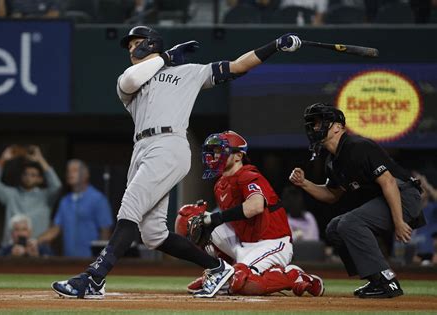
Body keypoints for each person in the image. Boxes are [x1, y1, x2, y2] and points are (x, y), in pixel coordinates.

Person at [51, 25, 302, 299]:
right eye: (130, 45)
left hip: (169, 144)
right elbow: (131, 82)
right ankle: (217, 268)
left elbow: (238, 66)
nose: (132, 49)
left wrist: (274, 45)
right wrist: (167, 57)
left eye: (137, 43)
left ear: (152, 44)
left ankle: (93, 278)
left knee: (129, 209)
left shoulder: (189, 72)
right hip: (142, 147)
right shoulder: (129, 78)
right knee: (153, 234)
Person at [289, 103, 424, 298]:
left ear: (337, 127)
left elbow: (388, 182)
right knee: (335, 228)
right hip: (386, 199)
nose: (314, 128)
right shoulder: (333, 162)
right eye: (313, 124)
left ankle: (388, 281)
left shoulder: (358, 147)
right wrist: (304, 183)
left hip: (404, 195)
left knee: (350, 222)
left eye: (319, 123)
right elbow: (331, 195)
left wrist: (399, 221)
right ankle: (375, 279)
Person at [176, 131, 324, 297]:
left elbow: (255, 206)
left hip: (272, 242)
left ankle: (294, 276)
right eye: (213, 151)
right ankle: (219, 271)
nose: (215, 155)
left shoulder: (248, 175)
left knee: (244, 284)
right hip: (244, 241)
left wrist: (216, 218)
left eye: (220, 150)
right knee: (189, 217)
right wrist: (207, 221)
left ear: (238, 156)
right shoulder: (220, 184)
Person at [0, 145, 62, 246]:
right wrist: (3, 159)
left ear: (40, 179)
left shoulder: (46, 197)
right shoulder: (11, 194)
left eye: (33, 175)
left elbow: (56, 186)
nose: (28, 177)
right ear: (21, 176)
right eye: (25, 174)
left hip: (37, 249)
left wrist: (40, 159)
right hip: (11, 249)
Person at [38, 160, 113, 258]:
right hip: (69, 261)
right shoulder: (64, 201)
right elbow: (56, 229)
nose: (70, 174)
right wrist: (35, 241)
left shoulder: (98, 199)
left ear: (86, 174)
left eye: (74, 170)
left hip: (91, 261)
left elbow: (105, 231)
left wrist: (101, 260)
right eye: (68, 171)